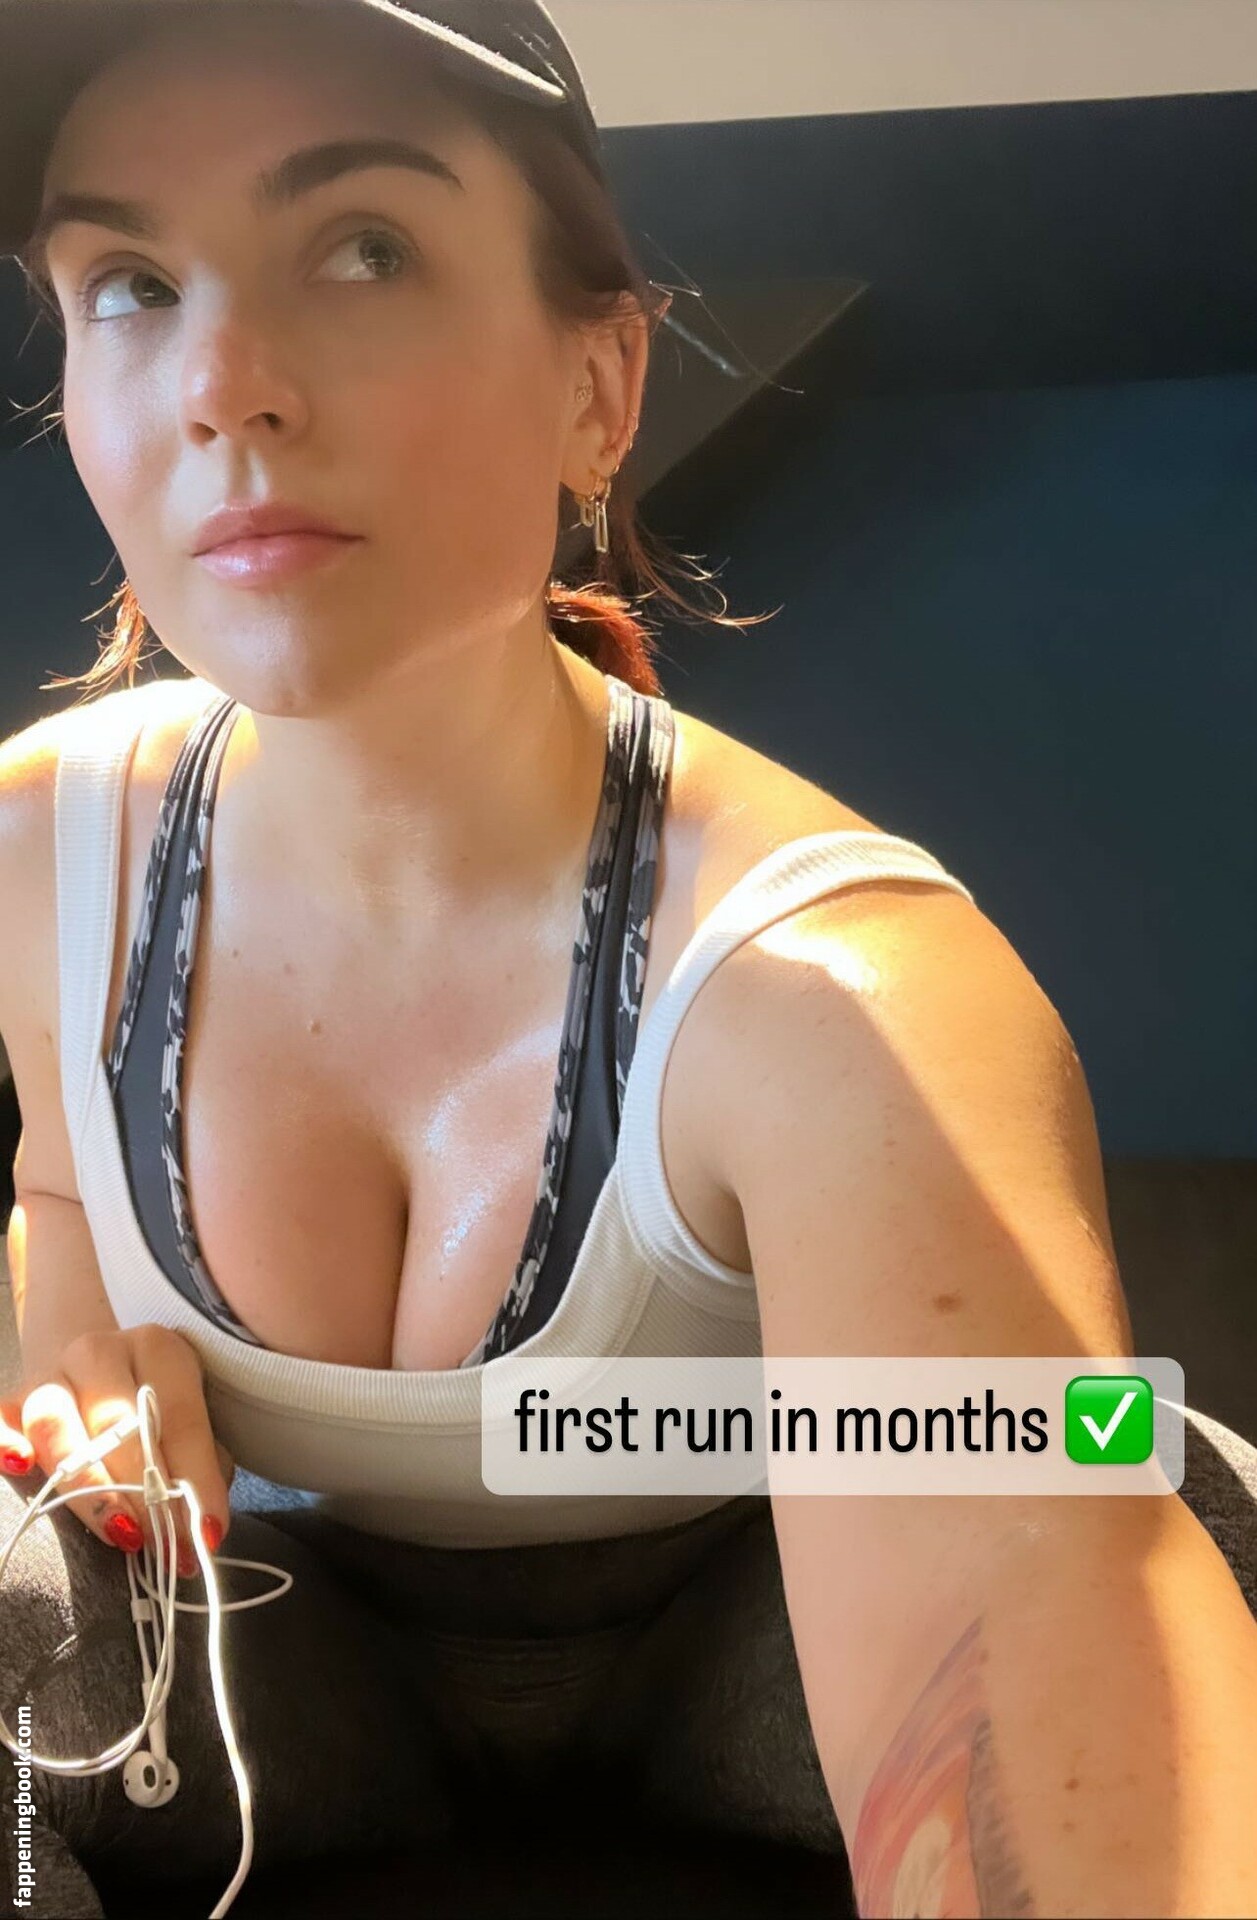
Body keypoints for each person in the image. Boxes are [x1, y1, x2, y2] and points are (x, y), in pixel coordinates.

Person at [0, 5, 1254, 1917]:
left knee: (1158, 1485)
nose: (221, 385)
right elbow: (52, 1183)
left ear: (599, 384)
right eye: (131, 285)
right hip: (292, 1642)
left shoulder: (832, 994)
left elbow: (1010, 1617)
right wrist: (83, 1360)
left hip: (754, 1630)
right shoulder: (43, 858)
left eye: (363, 249)